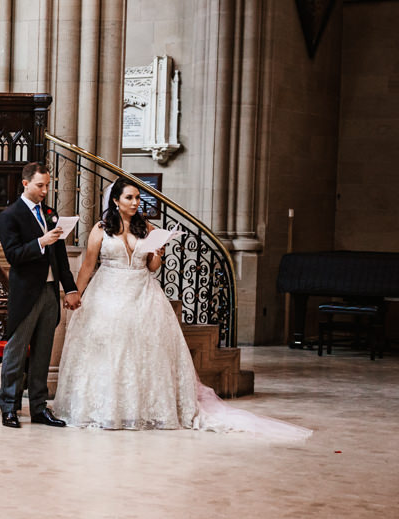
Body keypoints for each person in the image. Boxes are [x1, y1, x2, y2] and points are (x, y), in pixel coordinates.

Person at [53, 179, 311, 438]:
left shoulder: (147, 228)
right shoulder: (100, 230)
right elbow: (87, 265)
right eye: (129, 198)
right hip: (107, 291)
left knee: (143, 352)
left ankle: (140, 409)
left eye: (137, 198)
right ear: (116, 201)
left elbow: (152, 268)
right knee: (110, 351)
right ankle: (106, 409)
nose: (135, 203)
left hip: (142, 293)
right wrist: (75, 292)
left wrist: (158, 253)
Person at [0, 163, 81, 429]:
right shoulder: (10, 215)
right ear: (25, 184)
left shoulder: (50, 213)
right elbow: (13, 256)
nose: (45, 190)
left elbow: (60, 257)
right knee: (16, 352)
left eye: (47, 185)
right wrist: (42, 242)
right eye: (40, 185)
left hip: (49, 292)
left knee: (43, 353)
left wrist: (71, 288)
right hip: (26, 293)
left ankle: (39, 409)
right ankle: (9, 408)